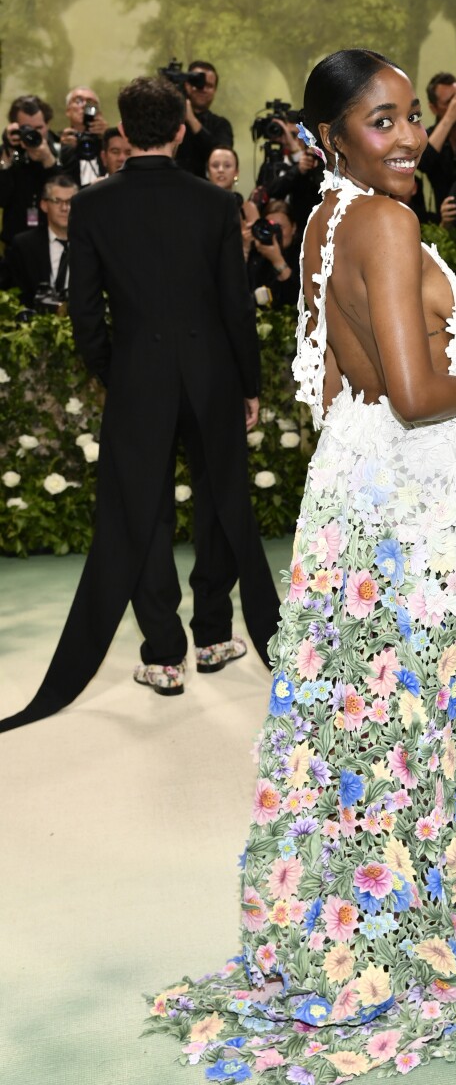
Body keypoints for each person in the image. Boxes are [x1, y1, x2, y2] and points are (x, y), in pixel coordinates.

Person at [145, 48, 456, 1085]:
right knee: (420, 714)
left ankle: (357, 929)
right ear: (332, 138)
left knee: (365, 723)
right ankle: (421, 936)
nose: (410, 135)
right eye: (380, 122)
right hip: (412, 509)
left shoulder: (328, 220)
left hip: (357, 496)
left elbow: (344, 384)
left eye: (412, 114)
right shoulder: (385, 220)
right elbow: (417, 392)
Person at [0, 76, 280, 734]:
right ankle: (213, 636)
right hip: (210, 373)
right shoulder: (214, 202)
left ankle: (163, 656)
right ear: (183, 128)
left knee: (141, 510)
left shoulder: (94, 205)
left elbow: (86, 311)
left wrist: (111, 371)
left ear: (124, 132)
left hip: (138, 377)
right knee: (219, 500)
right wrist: (248, 382)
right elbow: (235, 305)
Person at [7, 174, 77, 307]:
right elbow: (15, 294)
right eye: (57, 201)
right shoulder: (24, 245)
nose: (64, 208)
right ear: (44, 205)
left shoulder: (91, 244)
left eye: (70, 202)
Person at [0, 95, 61, 246]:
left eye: (39, 128)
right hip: (15, 240)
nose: (33, 134)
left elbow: (66, 195)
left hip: (54, 240)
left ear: (48, 125)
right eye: (26, 129)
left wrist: (48, 160)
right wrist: (6, 160)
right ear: (15, 128)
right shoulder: (7, 153)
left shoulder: (62, 151)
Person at [417, 72, 456, 209]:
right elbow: (423, 162)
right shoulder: (430, 136)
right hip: (446, 216)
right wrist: (450, 118)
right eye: (448, 103)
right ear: (433, 108)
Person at [175, 60, 234, 178]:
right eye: (199, 84)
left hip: (207, 191)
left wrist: (192, 120)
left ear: (215, 91)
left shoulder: (221, 125)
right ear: (187, 85)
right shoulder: (171, 121)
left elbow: (222, 157)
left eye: (209, 86)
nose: (203, 89)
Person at [59, 86, 108, 186]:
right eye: (78, 101)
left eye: (90, 102)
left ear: (99, 112)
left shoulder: (107, 139)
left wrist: (106, 139)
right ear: (68, 111)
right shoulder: (60, 140)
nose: (84, 105)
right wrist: (65, 149)